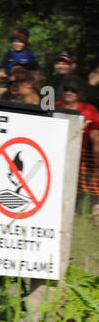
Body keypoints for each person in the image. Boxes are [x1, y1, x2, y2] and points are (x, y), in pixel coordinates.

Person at [60, 76, 99, 225]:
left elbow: (95, 136)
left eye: (73, 90)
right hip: (58, 156)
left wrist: (96, 163)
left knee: (90, 191)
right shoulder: (54, 105)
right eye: (66, 89)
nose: (69, 93)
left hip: (82, 157)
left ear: (79, 93)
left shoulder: (89, 110)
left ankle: (92, 223)